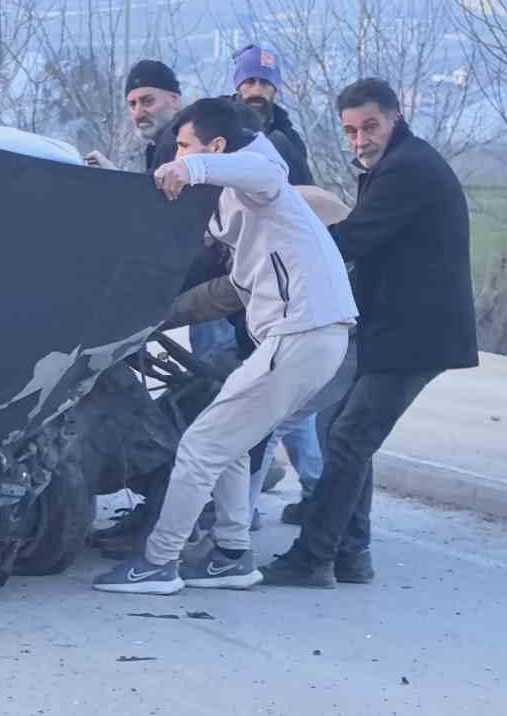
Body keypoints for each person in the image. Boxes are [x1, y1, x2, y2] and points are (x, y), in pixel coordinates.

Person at [93, 97, 355, 596]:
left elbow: (253, 166)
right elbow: (229, 284)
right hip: (304, 337)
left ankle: (158, 563)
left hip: (301, 332)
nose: (178, 152)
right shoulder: (238, 207)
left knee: (199, 447)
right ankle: (232, 555)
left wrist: (190, 167)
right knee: (229, 442)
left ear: (214, 147)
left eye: (186, 145)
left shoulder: (261, 180)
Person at [263, 78, 477, 589]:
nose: (359, 139)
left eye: (370, 126)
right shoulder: (396, 165)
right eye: (351, 130)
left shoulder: (407, 170)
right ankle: (350, 554)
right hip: (397, 329)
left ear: (395, 117)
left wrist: (281, 252)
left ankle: (313, 558)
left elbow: (355, 238)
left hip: (415, 335)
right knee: (343, 431)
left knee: (349, 436)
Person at [227, 44, 312, 185]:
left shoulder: (290, 140)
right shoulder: (214, 124)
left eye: (265, 83)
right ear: (238, 86)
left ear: (275, 89)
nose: (257, 91)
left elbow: (304, 191)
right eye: (249, 81)